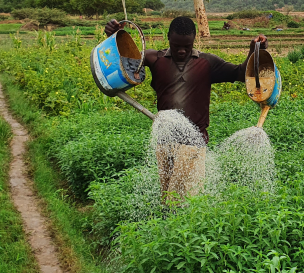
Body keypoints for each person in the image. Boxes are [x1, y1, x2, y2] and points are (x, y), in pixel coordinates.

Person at [103, 16, 266, 207]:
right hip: (164, 142)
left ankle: (187, 232)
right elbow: (122, 60)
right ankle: (168, 232)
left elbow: (240, 73)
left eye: (186, 46)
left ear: (194, 40)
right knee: (167, 198)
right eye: (176, 45)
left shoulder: (206, 63)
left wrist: (255, 51)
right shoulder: (154, 59)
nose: (181, 51)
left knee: (187, 202)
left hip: (192, 144)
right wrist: (112, 35)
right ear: (168, 39)